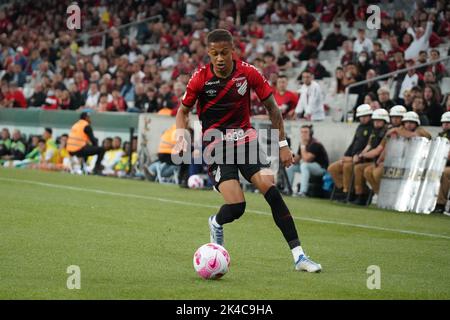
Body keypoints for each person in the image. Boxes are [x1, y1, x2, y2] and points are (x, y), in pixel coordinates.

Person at [175, 29, 322, 272]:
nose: (220, 58)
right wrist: (181, 136)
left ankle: (299, 256)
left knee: (271, 191)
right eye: (214, 54)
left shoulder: (249, 73)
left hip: (246, 141)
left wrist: (283, 145)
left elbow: (273, 109)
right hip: (216, 146)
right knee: (237, 207)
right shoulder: (199, 78)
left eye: (224, 53)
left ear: (232, 51)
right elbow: (182, 111)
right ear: (209, 54)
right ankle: (216, 222)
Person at [364, 111, 432, 197]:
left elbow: (414, 135)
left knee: (377, 173)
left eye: (411, 122)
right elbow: (385, 147)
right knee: (368, 171)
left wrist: (396, 130)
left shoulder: (421, 131)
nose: (408, 125)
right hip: (393, 162)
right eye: (406, 122)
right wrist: (380, 160)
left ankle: (388, 194)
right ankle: (381, 194)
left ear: (416, 123)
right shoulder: (395, 131)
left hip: (412, 165)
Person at [328, 104, 373, 200]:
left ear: (370, 116)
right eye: (361, 117)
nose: (363, 119)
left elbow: (369, 146)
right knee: (332, 168)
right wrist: (345, 156)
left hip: (361, 159)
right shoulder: (360, 127)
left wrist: (356, 156)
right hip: (351, 157)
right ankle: (342, 188)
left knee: (347, 167)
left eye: (365, 116)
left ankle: (348, 193)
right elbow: (353, 143)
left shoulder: (372, 128)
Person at [351, 109, 389, 205]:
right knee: (358, 168)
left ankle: (380, 194)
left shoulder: (386, 132)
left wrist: (362, 155)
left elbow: (377, 151)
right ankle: (361, 195)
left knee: (369, 171)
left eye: (379, 121)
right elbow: (368, 146)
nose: (376, 123)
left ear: (385, 121)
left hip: (384, 161)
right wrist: (360, 155)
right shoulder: (373, 132)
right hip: (374, 160)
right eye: (375, 120)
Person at [286, 125, 329, 197]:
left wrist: (303, 146)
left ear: (310, 133)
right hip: (308, 167)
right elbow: (297, 160)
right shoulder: (302, 144)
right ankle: (288, 189)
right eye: (302, 132)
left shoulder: (315, 144)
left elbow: (306, 159)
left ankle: (303, 192)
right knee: (291, 167)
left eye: (306, 132)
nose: (303, 134)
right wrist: (289, 156)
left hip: (321, 169)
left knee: (304, 165)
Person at [434, 111, 450, 215]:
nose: (446, 124)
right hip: (441, 162)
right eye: (444, 122)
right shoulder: (440, 135)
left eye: (448, 123)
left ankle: (440, 204)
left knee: (444, 173)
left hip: (447, 165)